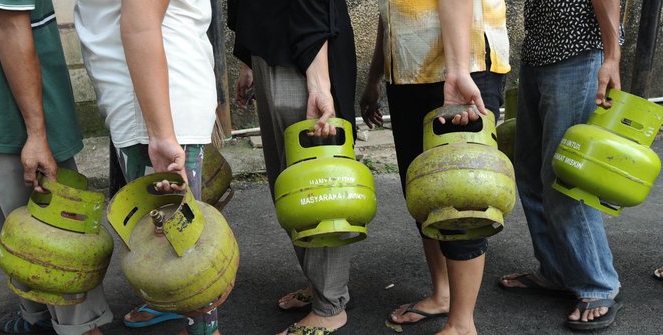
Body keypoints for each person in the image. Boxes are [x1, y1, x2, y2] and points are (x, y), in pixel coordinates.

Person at [360, 0, 509, 334]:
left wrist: (457, 72)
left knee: (459, 195)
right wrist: (375, 75)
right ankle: (443, 294)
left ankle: (461, 324)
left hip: (462, 66)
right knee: (424, 192)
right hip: (409, 69)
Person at [74, 0, 222, 334]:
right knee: (177, 241)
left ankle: (194, 321)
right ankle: (186, 315)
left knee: (178, 242)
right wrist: (160, 132)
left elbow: (139, 20)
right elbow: (137, 21)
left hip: (151, 103)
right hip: (154, 103)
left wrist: (159, 133)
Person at [228, 0, 361, 333]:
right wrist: (249, 56)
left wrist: (318, 83)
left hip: (303, 52)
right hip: (272, 44)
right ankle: (325, 286)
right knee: (289, 187)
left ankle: (330, 306)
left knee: (315, 186)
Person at [498, 0, 623, 331]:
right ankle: (556, 270)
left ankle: (597, 284)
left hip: (578, 54)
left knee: (565, 176)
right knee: (530, 174)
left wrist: (611, 57)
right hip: (538, 55)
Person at [0, 1, 113, 334]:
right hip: (6, 119)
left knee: (55, 246)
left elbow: (9, 25)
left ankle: (83, 328)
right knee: (15, 242)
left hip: (16, 117)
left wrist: (36, 134)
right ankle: (36, 319)